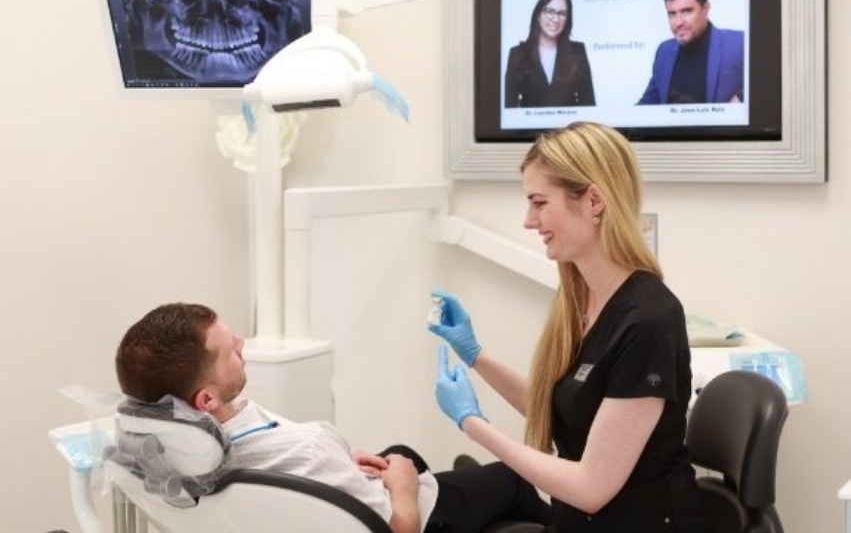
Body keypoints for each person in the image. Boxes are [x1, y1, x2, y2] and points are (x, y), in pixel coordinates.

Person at [428, 121, 707, 532]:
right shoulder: (582, 299)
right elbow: (563, 410)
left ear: (594, 200)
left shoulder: (648, 320)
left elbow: (591, 486)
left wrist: (473, 424)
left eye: (539, 203)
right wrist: (475, 356)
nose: (529, 220)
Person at [115, 303, 550, 533]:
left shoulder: (175, 450)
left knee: (401, 453)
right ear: (206, 399)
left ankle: (463, 489)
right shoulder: (306, 450)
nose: (242, 343)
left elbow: (284, 474)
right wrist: (400, 489)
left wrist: (337, 466)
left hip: (328, 492)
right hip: (410, 520)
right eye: (230, 349)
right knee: (511, 477)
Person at [638, 0, 744, 105]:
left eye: (686, 11)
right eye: (672, 14)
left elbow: (767, 80)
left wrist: (741, 98)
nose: (678, 22)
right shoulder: (664, 51)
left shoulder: (739, 43)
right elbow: (648, 104)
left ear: (705, 9)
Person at [504, 0, 595, 108]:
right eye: (550, 11)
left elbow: (588, 106)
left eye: (562, 13)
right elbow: (509, 108)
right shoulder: (517, 54)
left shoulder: (578, 51)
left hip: (569, 127)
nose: (556, 19)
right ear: (538, 14)